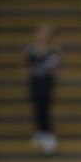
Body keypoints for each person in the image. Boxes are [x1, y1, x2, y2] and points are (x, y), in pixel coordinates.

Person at [25, 23, 61, 154]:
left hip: (46, 82)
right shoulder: (31, 48)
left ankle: (48, 134)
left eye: (44, 34)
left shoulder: (53, 50)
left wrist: (42, 63)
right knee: (37, 105)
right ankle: (40, 131)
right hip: (35, 81)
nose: (41, 36)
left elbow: (54, 67)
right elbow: (28, 64)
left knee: (45, 106)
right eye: (39, 33)